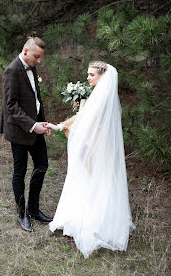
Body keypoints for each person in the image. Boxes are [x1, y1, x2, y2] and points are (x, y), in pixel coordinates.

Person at [47, 61, 135, 258]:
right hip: (94, 146)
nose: (87, 78)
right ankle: (84, 219)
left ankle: (93, 224)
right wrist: (61, 126)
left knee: (94, 182)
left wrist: (67, 126)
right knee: (91, 182)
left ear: (102, 76)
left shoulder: (101, 98)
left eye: (91, 75)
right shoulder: (99, 96)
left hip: (95, 147)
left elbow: (86, 121)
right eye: (88, 74)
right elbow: (82, 116)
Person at [0, 34, 53, 232]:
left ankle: (34, 208)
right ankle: (22, 214)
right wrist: (33, 125)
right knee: (19, 172)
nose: (39, 61)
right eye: (37, 57)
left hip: (36, 127)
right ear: (25, 51)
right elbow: (11, 106)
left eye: (40, 57)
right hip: (19, 131)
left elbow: (36, 100)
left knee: (42, 165)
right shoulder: (12, 71)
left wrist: (43, 123)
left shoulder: (32, 66)